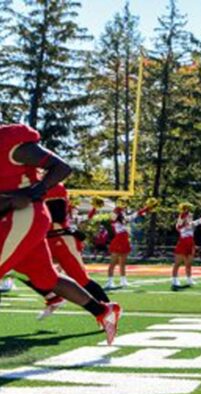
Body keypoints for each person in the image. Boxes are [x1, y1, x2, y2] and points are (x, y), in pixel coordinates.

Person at [0, 123, 120, 344]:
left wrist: (35, 190)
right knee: (48, 278)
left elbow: (61, 167)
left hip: (23, 216)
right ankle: (103, 311)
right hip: (10, 217)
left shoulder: (9, 143)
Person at [40, 183, 110, 320]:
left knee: (81, 279)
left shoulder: (53, 186)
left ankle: (108, 309)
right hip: (46, 238)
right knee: (32, 271)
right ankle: (54, 297)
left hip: (60, 237)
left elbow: (56, 214)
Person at [106, 197, 155, 289]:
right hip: (118, 238)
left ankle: (123, 281)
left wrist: (146, 208)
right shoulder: (115, 214)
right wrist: (117, 209)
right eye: (122, 204)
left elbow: (134, 215)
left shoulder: (124, 215)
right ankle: (110, 282)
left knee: (123, 262)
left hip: (124, 239)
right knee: (113, 262)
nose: (124, 206)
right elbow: (111, 219)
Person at [172, 202, 201, 290]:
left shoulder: (192, 224)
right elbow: (180, 222)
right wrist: (185, 211)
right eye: (189, 216)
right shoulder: (180, 224)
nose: (191, 217)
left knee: (189, 263)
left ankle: (189, 279)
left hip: (191, 244)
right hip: (182, 244)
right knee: (178, 263)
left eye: (191, 216)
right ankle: (174, 280)